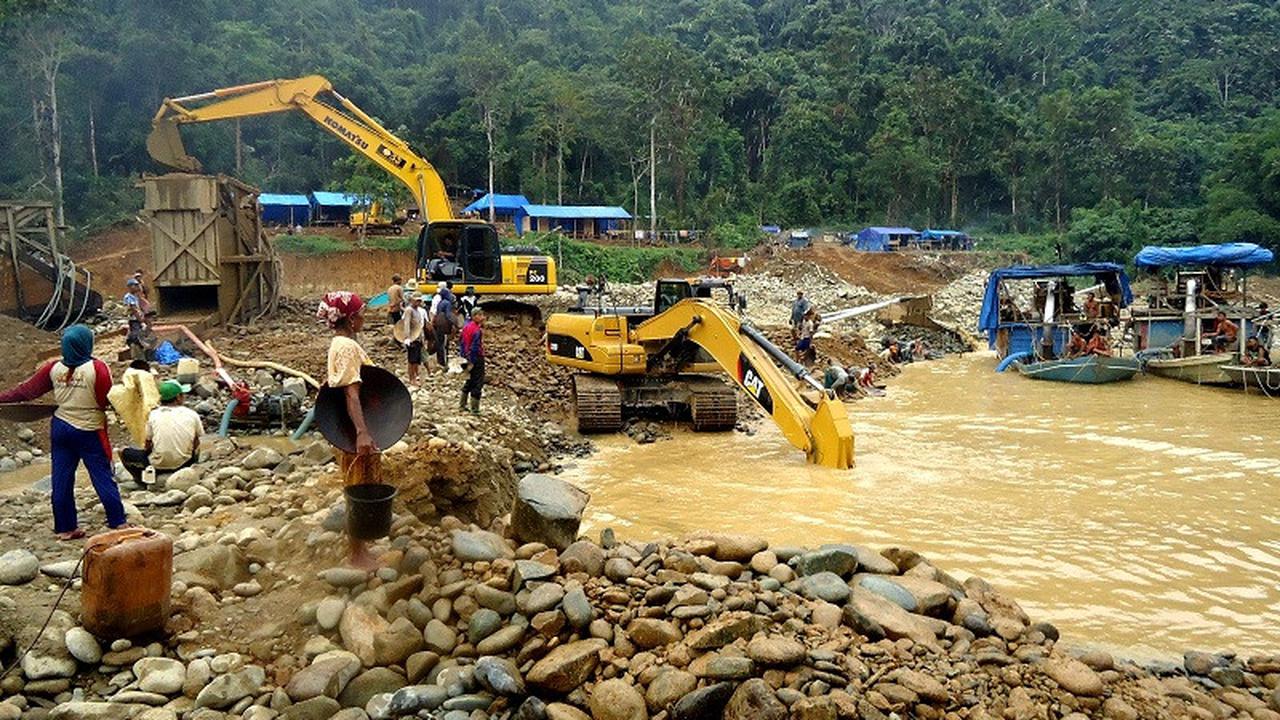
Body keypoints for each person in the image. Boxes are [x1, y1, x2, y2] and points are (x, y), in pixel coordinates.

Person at [0, 325, 127, 539]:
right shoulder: (98, 368)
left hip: (60, 427)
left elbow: (25, 392)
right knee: (101, 474)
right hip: (89, 428)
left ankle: (66, 528)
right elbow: (107, 399)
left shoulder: (53, 368)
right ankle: (118, 522)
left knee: (61, 478)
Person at [318, 291, 381, 570]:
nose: (365, 317)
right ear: (352, 318)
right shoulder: (346, 346)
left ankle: (361, 546)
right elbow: (352, 393)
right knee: (358, 486)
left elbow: (339, 383)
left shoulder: (341, 344)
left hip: (349, 426)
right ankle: (357, 554)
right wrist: (362, 433)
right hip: (354, 430)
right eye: (362, 313)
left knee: (358, 484)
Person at [124, 380, 203, 484]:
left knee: (124, 452)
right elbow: (196, 442)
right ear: (178, 397)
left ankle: (141, 480)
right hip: (185, 463)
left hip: (159, 465)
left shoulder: (153, 415)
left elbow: (147, 444)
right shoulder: (192, 414)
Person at [459, 310, 486, 413]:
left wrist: (464, 357)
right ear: (474, 316)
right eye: (480, 315)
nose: (483, 317)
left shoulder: (466, 327)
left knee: (469, 380)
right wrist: (473, 361)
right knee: (478, 382)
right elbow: (475, 347)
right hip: (476, 358)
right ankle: (475, 408)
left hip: (466, 357)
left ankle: (462, 405)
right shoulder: (476, 330)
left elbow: (461, 342)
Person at [401, 292, 428, 384]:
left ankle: (416, 376)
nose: (418, 303)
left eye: (419, 301)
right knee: (412, 360)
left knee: (417, 359)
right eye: (417, 301)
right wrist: (407, 337)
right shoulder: (409, 310)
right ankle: (411, 378)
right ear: (412, 301)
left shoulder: (418, 311)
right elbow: (406, 324)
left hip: (418, 337)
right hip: (412, 338)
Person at [124, 278, 151, 361]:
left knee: (140, 333)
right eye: (134, 285)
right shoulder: (129, 297)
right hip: (134, 319)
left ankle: (139, 349)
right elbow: (134, 310)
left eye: (137, 285)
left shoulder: (135, 296)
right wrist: (141, 321)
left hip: (138, 318)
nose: (136, 287)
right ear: (129, 287)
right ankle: (131, 342)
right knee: (136, 335)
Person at [431, 283, 455, 372]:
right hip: (444, 325)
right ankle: (444, 363)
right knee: (444, 344)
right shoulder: (447, 303)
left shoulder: (440, 303)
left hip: (438, 324)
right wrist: (453, 323)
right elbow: (448, 315)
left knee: (439, 342)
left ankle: (439, 361)